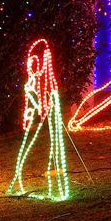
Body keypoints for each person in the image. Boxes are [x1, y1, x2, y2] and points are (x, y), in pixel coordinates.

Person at [7, 39, 69, 201]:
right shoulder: (31, 83)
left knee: (50, 152)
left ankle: (55, 188)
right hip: (35, 122)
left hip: (46, 123)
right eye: (31, 61)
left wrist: (46, 106)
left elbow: (51, 103)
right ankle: (19, 182)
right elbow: (29, 104)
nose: (33, 65)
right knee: (27, 151)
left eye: (36, 61)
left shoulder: (48, 85)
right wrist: (29, 116)